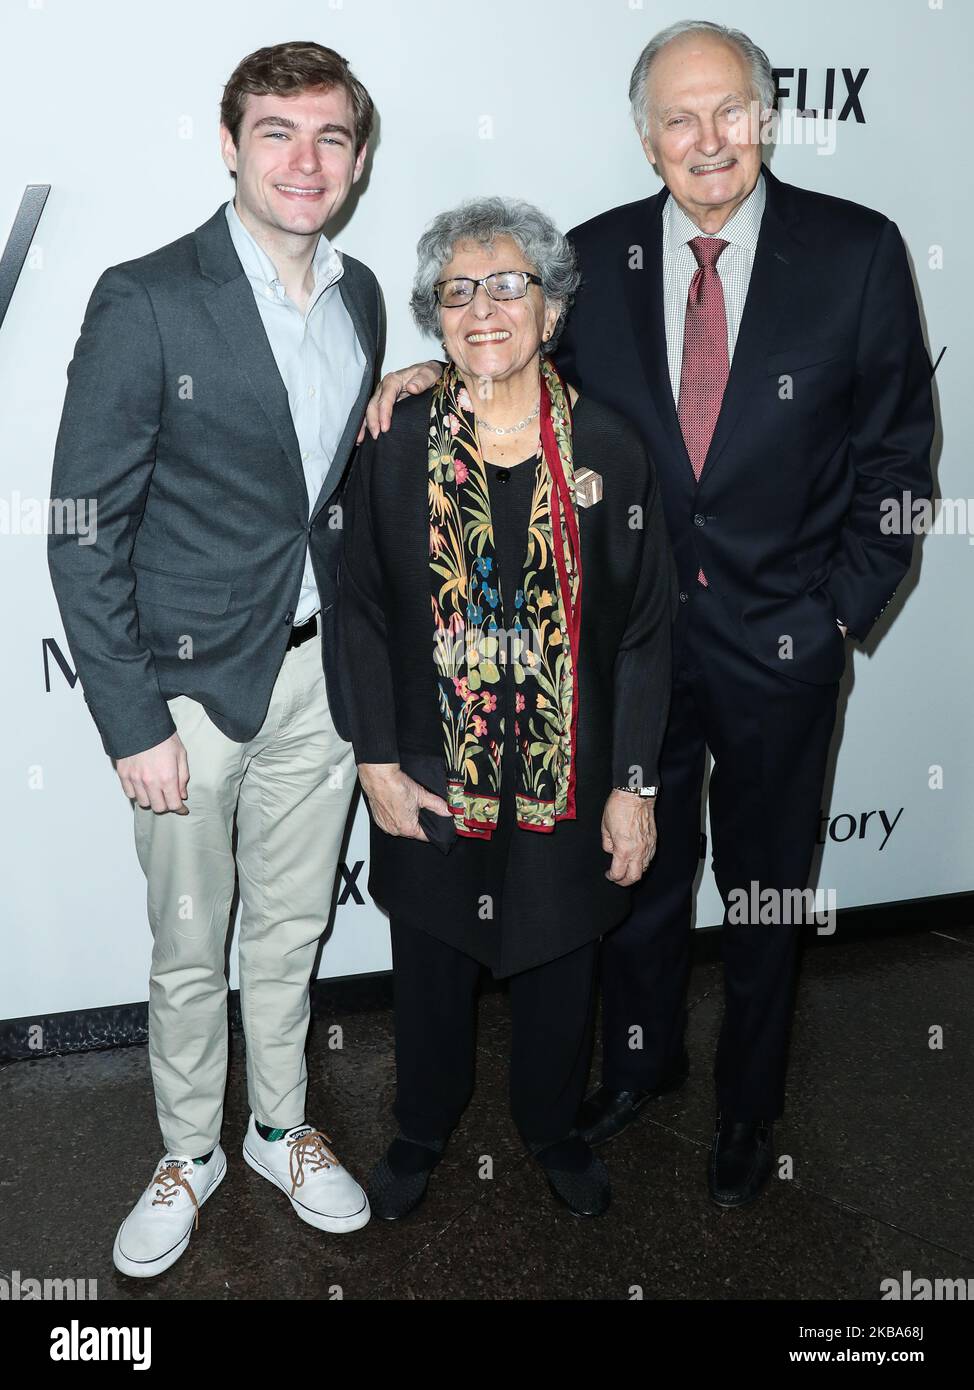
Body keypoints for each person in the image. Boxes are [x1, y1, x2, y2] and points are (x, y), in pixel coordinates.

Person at [363, 21, 935, 1208]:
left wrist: (834, 616)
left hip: (784, 646)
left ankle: (748, 1107)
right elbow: (520, 374)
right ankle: (638, 1066)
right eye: (678, 118)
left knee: (767, 890)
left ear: (765, 116)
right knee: (632, 877)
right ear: (643, 135)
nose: (706, 139)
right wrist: (429, 373)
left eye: (727, 110)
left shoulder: (857, 251)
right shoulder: (594, 257)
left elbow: (896, 460)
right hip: (626, 656)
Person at [48, 41, 381, 1277]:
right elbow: (82, 527)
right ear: (230, 144)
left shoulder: (356, 298)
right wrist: (130, 719)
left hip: (318, 682)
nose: (305, 160)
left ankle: (277, 1128)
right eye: (278, 132)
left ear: (355, 160)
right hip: (187, 688)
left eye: (330, 136)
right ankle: (188, 1148)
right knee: (192, 939)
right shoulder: (147, 296)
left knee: (287, 931)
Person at [338, 197, 674, 1219]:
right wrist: (376, 759)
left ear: (551, 306)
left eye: (507, 284)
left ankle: (550, 1124)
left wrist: (631, 785)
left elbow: (644, 630)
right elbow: (354, 606)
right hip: (431, 767)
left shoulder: (609, 449)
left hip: (566, 770)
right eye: (457, 292)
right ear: (434, 318)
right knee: (431, 954)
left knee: (560, 947)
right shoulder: (393, 444)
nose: (482, 308)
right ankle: (419, 1126)